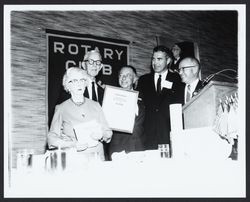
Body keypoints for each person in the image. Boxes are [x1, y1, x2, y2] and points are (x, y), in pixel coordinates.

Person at [47, 67, 112, 160]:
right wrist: (72, 145)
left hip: (97, 157)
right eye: (74, 80)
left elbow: (108, 132)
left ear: (86, 83)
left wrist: (101, 135)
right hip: (75, 159)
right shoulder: (61, 108)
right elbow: (51, 139)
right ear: (67, 86)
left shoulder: (96, 105)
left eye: (82, 80)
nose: (79, 84)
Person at [137, 45, 182, 150]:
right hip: (148, 135)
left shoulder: (177, 79)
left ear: (168, 61)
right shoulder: (144, 80)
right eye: (153, 59)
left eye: (159, 59)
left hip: (169, 134)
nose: (155, 62)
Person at [108, 66, 145, 159]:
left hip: (137, 146)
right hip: (117, 147)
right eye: (121, 75)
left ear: (134, 79)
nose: (123, 78)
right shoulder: (111, 97)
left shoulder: (143, 97)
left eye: (128, 75)